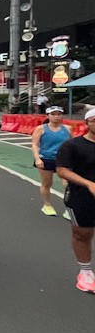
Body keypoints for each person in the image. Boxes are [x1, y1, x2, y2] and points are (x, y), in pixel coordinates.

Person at [55, 108, 95, 293]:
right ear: (86, 123)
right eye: (94, 120)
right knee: (82, 234)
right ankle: (85, 272)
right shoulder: (72, 146)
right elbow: (62, 170)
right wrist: (88, 184)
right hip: (81, 197)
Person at [32, 106, 73, 217]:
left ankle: (69, 209)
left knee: (68, 184)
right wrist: (37, 158)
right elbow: (35, 144)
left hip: (63, 160)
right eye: (53, 114)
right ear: (48, 116)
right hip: (46, 159)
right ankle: (47, 205)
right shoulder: (41, 128)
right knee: (47, 183)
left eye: (59, 114)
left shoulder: (68, 128)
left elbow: (72, 145)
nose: (56, 116)